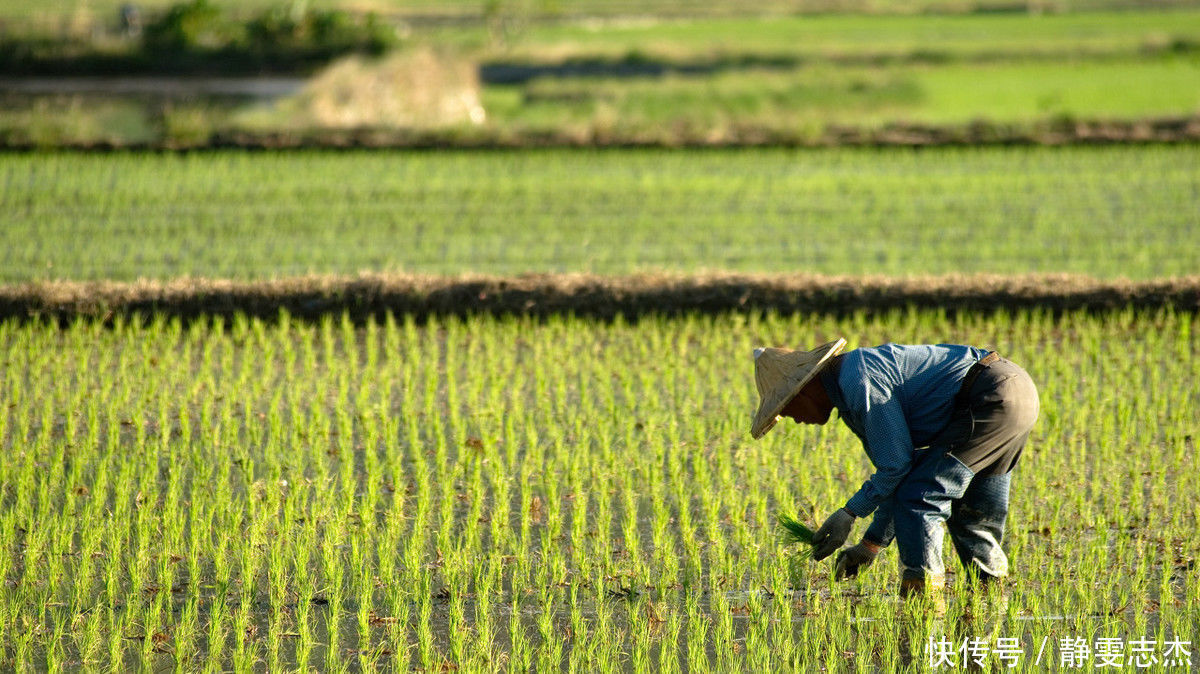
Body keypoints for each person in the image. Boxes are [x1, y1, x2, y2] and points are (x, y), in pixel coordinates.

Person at [750, 338, 1039, 601]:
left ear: (804, 389)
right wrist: (870, 545)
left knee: (921, 498)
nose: (789, 417)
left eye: (784, 407)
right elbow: (899, 474)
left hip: (989, 396)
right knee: (971, 518)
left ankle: (923, 606)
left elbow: (897, 468)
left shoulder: (858, 381)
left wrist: (849, 513)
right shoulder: (852, 383)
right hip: (1016, 392)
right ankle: (992, 601)